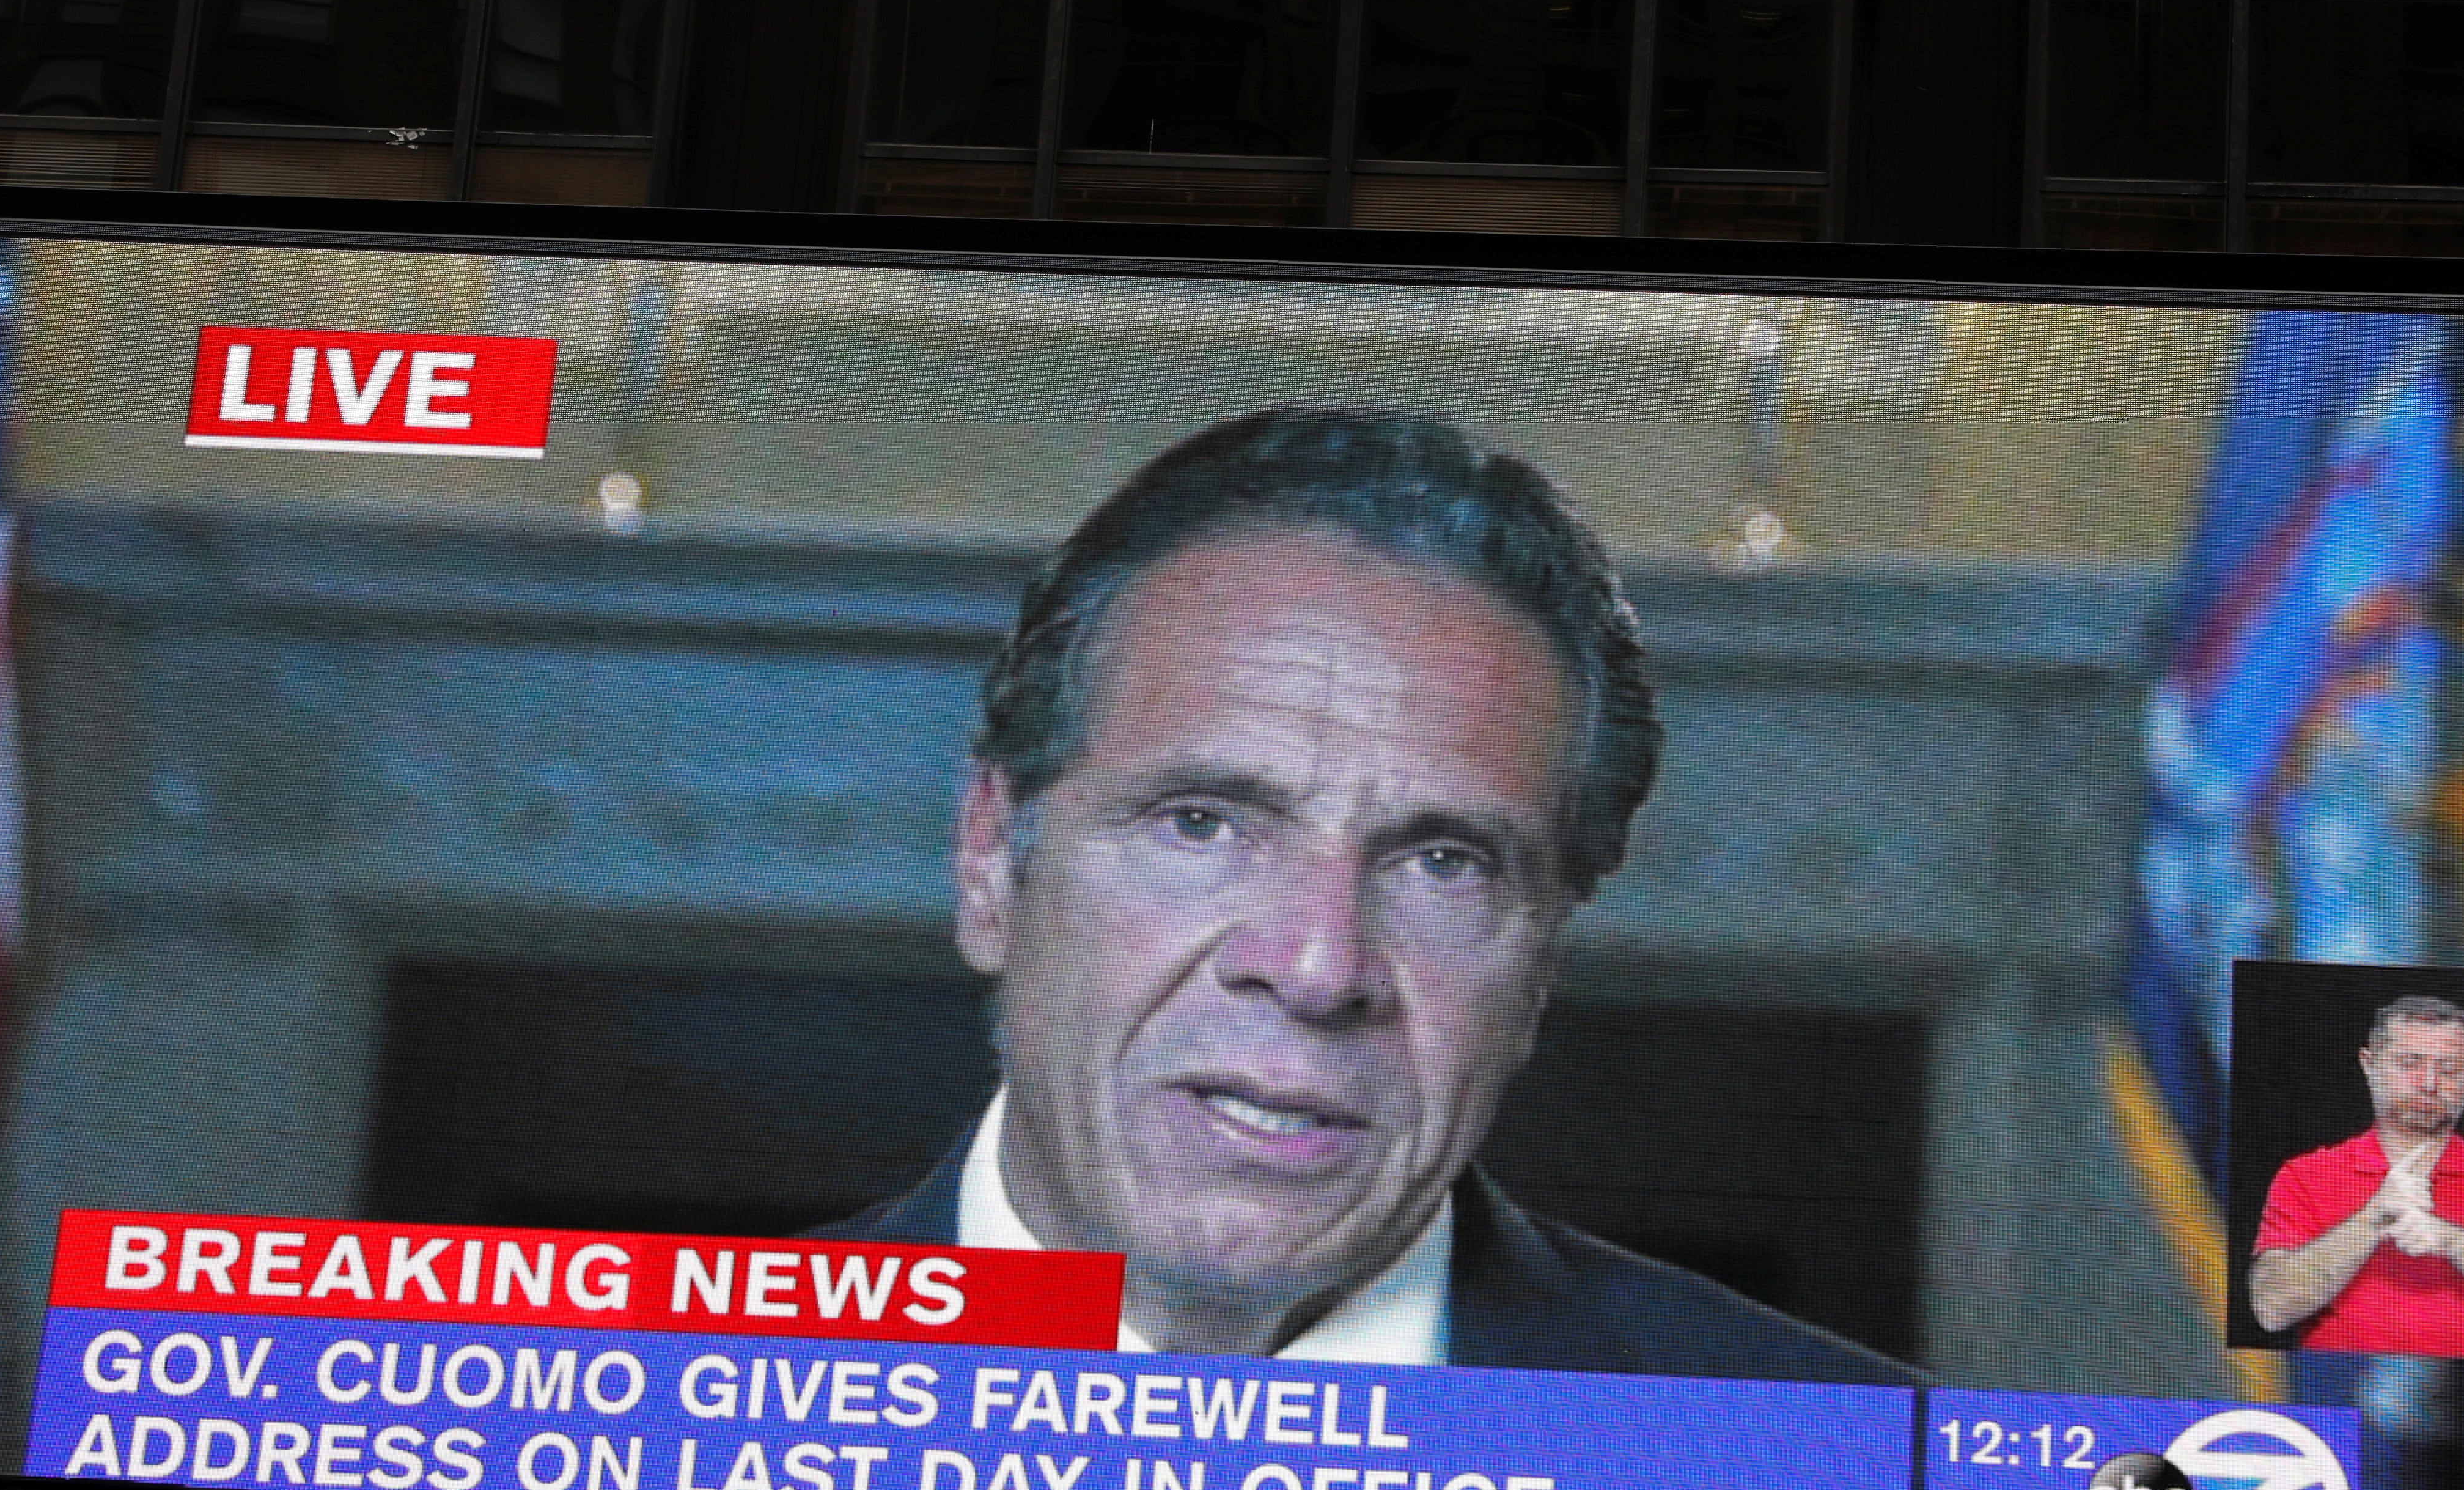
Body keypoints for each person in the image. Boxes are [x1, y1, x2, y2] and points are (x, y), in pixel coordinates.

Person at [817, 405, 1914, 1384]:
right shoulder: (656, 1419)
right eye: (1201, 822)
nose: (1317, 968)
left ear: (1542, 963)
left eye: (1444, 862)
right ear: (989, 858)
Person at [2245, 994, 2464, 1360]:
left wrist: (2450, 1239)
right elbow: (2271, 1309)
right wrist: (2374, 1219)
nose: (2429, 1083)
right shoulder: (2304, 1175)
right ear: (2369, 1065)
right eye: (2408, 1064)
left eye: (2449, 1068)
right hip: (2340, 1392)